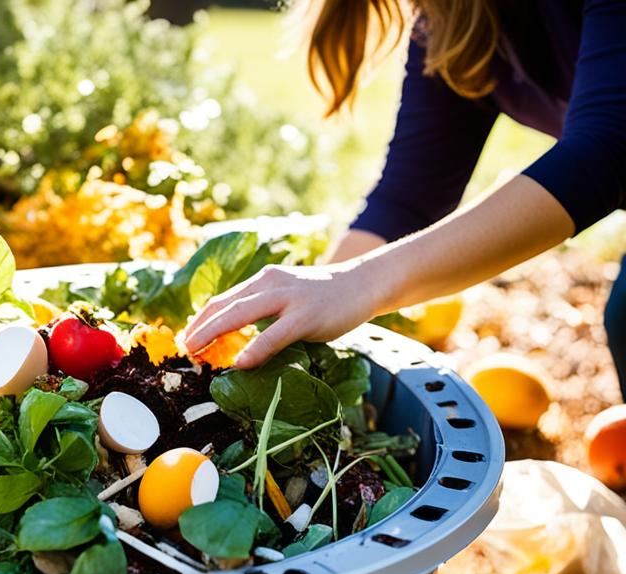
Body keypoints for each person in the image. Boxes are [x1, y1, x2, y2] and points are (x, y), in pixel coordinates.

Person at [183, 0, 626, 398]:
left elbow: (608, 148)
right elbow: (409, 199)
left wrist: (358, 284)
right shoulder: (454, 16)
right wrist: (304, 311)